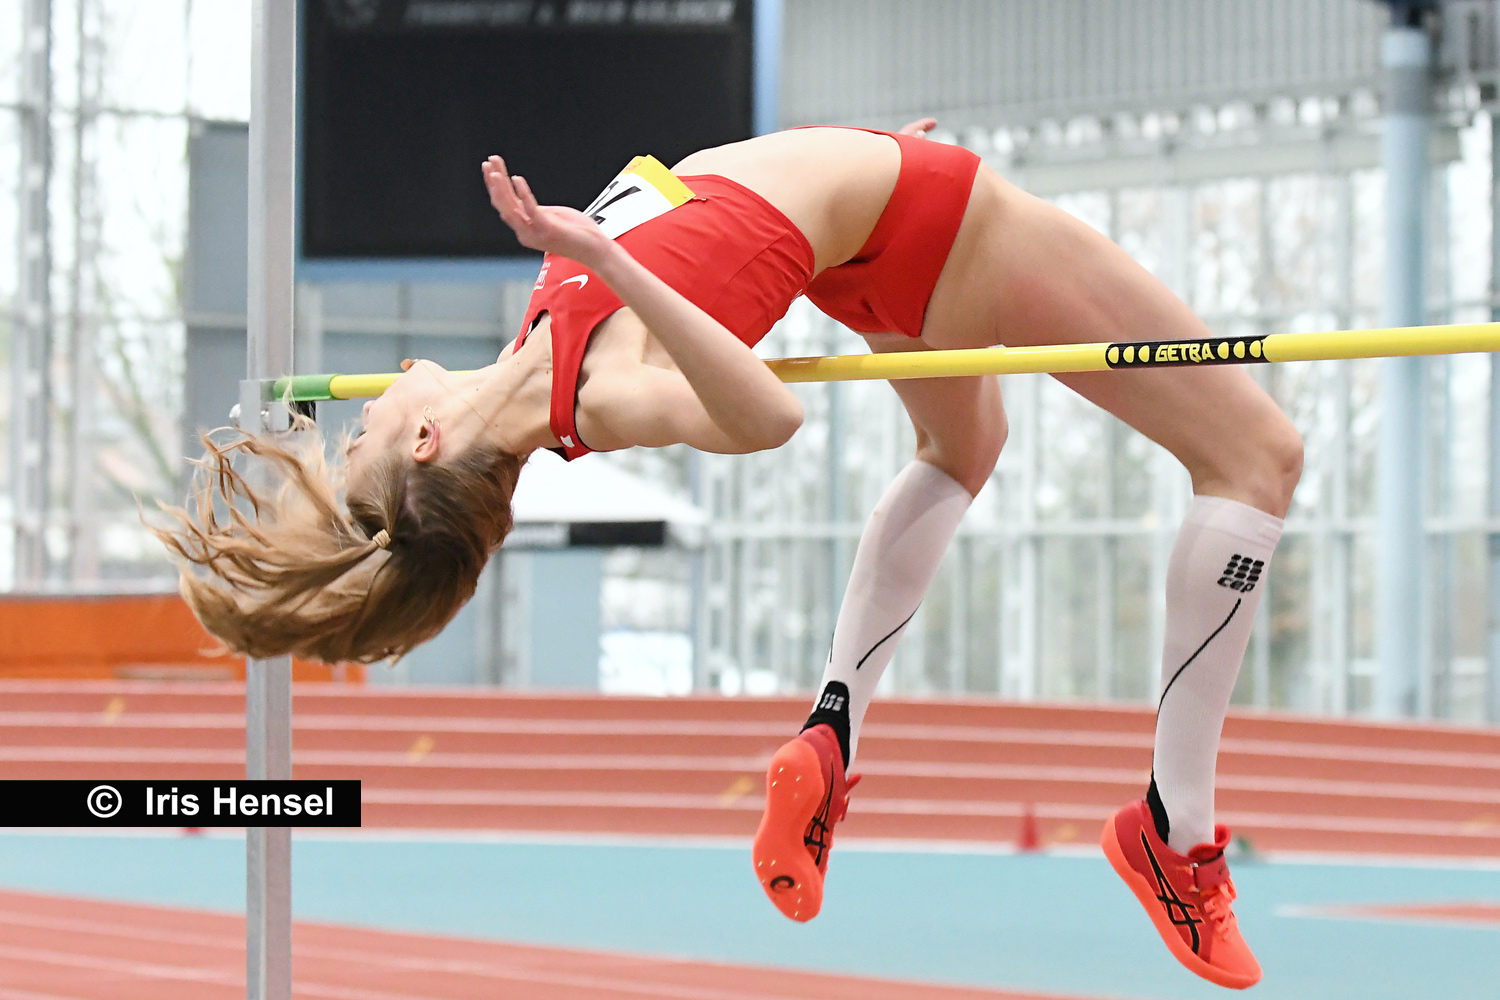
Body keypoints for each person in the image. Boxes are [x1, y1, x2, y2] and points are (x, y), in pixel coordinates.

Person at [155, 119, 1300, 990]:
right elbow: (766, 415)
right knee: (1258, 456)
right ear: (424, 443)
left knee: (963, 450)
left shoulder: (533, 349)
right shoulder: (593, 394)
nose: (361, 413)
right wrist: (604, 253)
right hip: (940, 224)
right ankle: (1174, 831)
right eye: (361, 439)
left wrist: (853, 163)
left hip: (875, 234)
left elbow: (709, 212)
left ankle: (834, 724)